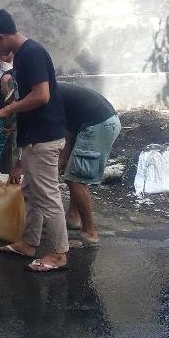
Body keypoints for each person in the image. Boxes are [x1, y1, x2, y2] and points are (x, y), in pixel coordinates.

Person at [0, 9, 69, 273]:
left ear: (2, 36)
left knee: (48, 196)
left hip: (44, 138)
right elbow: (29, 97)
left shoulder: (32, 53)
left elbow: (42, 95)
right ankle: (29, 243)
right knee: (31, 192)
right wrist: (12, 121)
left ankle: (59, 253)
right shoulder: (22, 55)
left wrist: (8, 110)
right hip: (33, 137)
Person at [58, 82, 121, 246]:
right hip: (96, 121)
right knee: (71, 172)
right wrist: (65, 155)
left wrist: (62, 155)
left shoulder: (45, 94)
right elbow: (69, 125)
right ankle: (73, 217)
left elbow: (60, 126)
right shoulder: (53, 88)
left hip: (98, 124)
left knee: (76, 179)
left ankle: (90, 232)